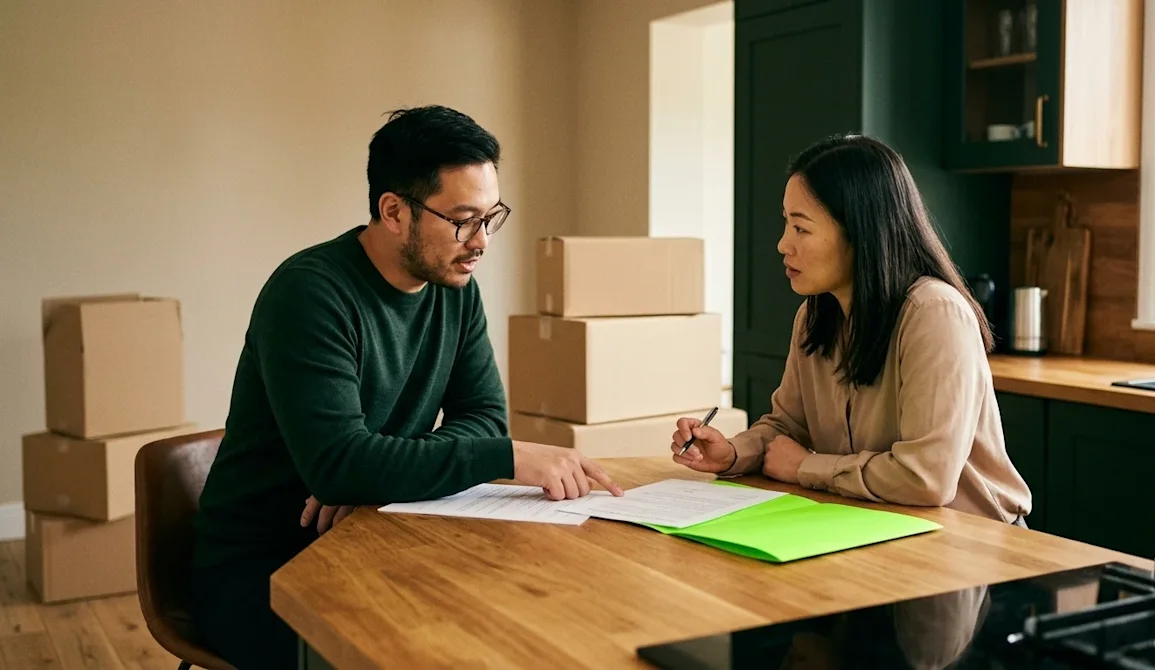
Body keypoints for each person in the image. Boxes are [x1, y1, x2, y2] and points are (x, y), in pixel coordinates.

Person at [189, 105, 623, 669]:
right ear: (394, 211)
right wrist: (506, 458)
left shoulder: (455, 286)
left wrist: (376, 474)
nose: (482, 241)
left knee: (518, 631)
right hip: (267, 566)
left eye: (492, 217)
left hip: (383, 532)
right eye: (463, 219)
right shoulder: (309, 295)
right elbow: (341, 463)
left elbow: (482, 417)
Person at [670, 133, 1031, 526]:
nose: (782, 244)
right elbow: (787, 428)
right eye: (785, 224)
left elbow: (926, 478)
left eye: (801, 228)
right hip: (873, 526)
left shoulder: (934, 313)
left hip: (975, 543)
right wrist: (733, 453)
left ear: (860, 231)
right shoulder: (814, 315)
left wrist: (807, 467)